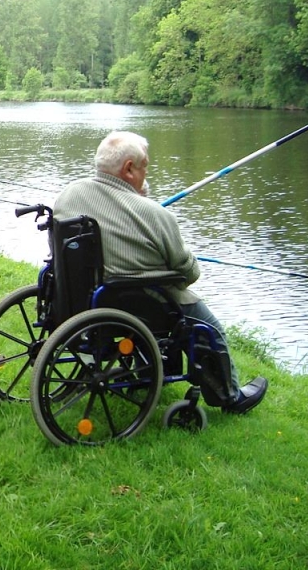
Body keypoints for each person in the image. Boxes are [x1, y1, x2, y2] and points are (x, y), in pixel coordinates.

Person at [54, 130, 268, 415]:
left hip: (81, 294)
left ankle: (147, 370)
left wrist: (138, 200)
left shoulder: (70, 193)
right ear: (129, 169)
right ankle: (229, 396)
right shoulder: (155, 215)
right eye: (145, 167)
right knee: (209, 325)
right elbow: (189, 272)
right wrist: (146, 204)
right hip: (135, 300)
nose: (146, 173)